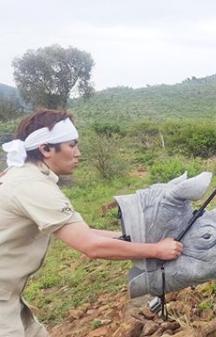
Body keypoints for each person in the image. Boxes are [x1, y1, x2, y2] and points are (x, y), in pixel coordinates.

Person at [0, 109, 183, 337]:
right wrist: (156, 250)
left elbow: (83, 232)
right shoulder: (31, 185)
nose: (78, 153)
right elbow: (91, 246)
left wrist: (135, 238)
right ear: (46, 149)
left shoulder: (27, 177)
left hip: (11, 297)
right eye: (72, 145)